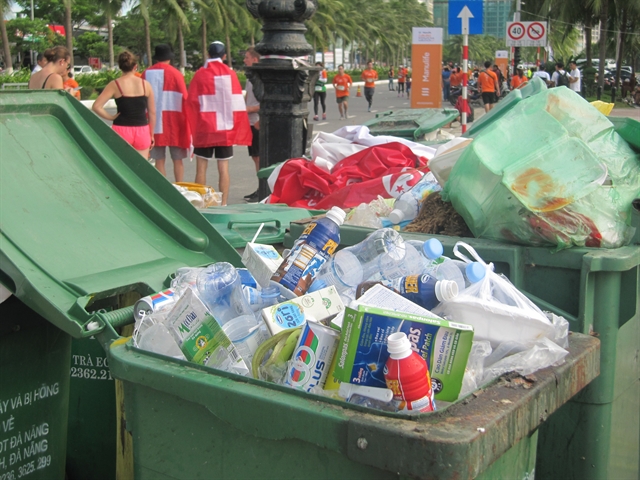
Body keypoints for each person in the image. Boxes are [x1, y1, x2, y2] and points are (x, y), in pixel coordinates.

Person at [186, 41, 252, 206]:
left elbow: (192, 101)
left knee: (201, 167)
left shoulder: (200, 74)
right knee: (223, 167)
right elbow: (237, 103)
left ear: (208, 55)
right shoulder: (230, 74)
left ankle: (200, 203)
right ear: (224, 56)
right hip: (224, 129)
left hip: (205, 128)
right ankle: (223, 203)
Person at [93, 51, 156, 159]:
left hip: (121, 129)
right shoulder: (146, 85)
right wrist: (152, 134)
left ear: (120, 67)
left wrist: (111, 117)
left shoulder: (115, 84)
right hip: (142, 129)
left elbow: (96, 106)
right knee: (140, 167)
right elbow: (152, 112)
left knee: (121, 167)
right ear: (135, 66)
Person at [142, 44, 191, 183]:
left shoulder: (146, 73)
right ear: (169, 58)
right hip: (175, 123)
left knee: (159, 160)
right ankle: (179, 188)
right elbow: (185, 98)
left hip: (154, 124)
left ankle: (163, 191)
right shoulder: (176, 74)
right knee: (178, 160)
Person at [243, 46, 261, 202]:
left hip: (257, 121)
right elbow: (248, 97)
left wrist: (250, 109)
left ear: (255, 59)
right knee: (255, 156)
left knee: (259, 157)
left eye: (247, 57)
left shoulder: (260, 78)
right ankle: (260, 187)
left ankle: (263, 189)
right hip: (249, 120)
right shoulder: (250, 77)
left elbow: (266, 101)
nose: (244, 60)